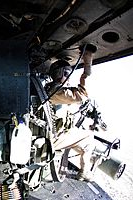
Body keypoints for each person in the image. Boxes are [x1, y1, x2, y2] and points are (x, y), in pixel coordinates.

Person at [45, 46, 96, 181]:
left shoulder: (52, 89)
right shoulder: (57, 91)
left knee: (80, 137)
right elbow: (82, 95)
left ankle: (84, 163)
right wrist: (87, 66)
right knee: (89, 138)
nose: (68, 78)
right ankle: (84, 172)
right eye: (66, 74)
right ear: (59, 74)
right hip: (52, 138)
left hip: (51, 135)